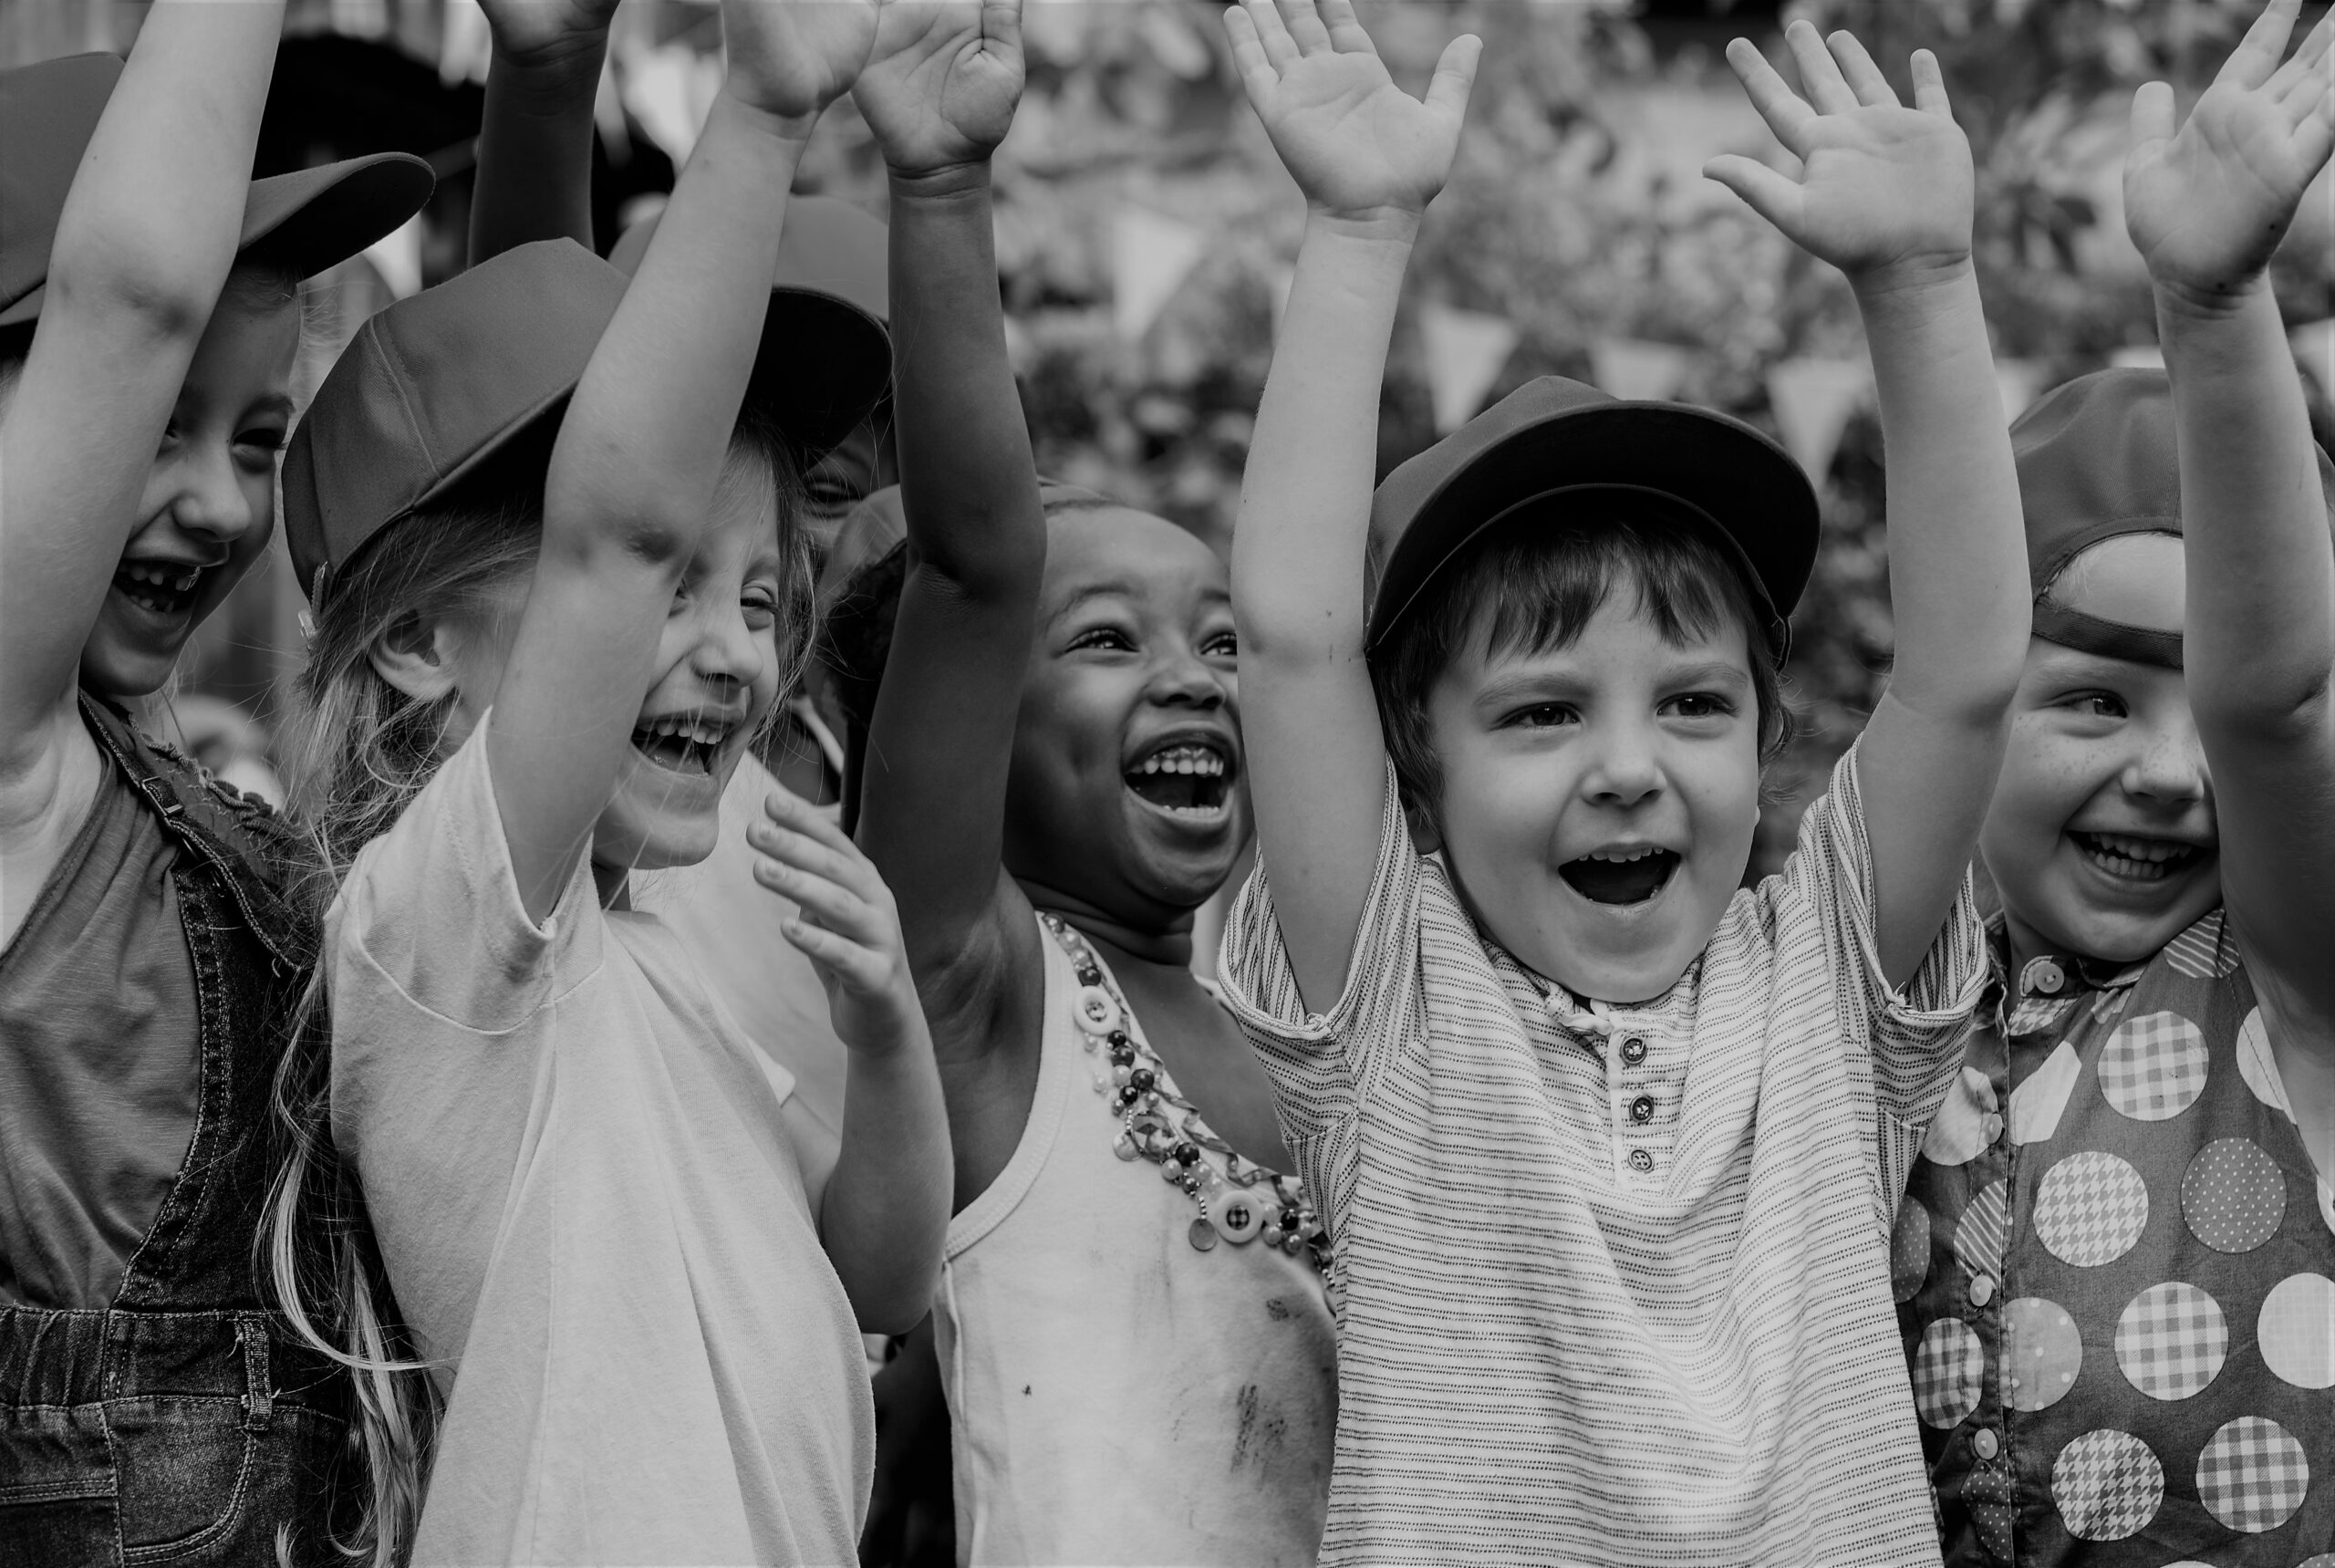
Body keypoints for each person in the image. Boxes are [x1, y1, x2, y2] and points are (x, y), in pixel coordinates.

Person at [1215, 1, 2031, 1560]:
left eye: (1695, 703)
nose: (1629, 769)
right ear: (1416, 762)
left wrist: (1922, 287)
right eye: (1538, 715)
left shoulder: (1827, 987)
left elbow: (1964, 673)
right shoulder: (1393, 998)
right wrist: (1359, 233)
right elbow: (1295, 647)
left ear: (1766, 734)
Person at [278, 0, 951, 1556]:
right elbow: (612, 526)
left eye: (765, 598)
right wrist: (763, 117)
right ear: (417, 646)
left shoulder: (662, 948)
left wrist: (889, 1029)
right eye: (670, 590)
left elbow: (887, 1277)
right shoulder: (446, 941)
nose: (736, 654)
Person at [835, 3, 1338, 1561]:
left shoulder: (1303, 1021)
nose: (1196, 675)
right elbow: (977, 569)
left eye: (1223, 641)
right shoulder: (983, 994)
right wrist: (940, 189)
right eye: (1109, 638)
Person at [1895, 4, 2335, 1561]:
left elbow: (2276, 705)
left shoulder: (2293, 989)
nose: (2168, 773)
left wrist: (2213, 306)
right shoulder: (1871, 1014)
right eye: (2088, 697)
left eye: (2202, 713)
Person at [0, 10, 432, 1560]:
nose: (219, 500)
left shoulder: (138, 774)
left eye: (257, 438)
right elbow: (127, 298)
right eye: (156, 422)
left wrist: (545, 79)